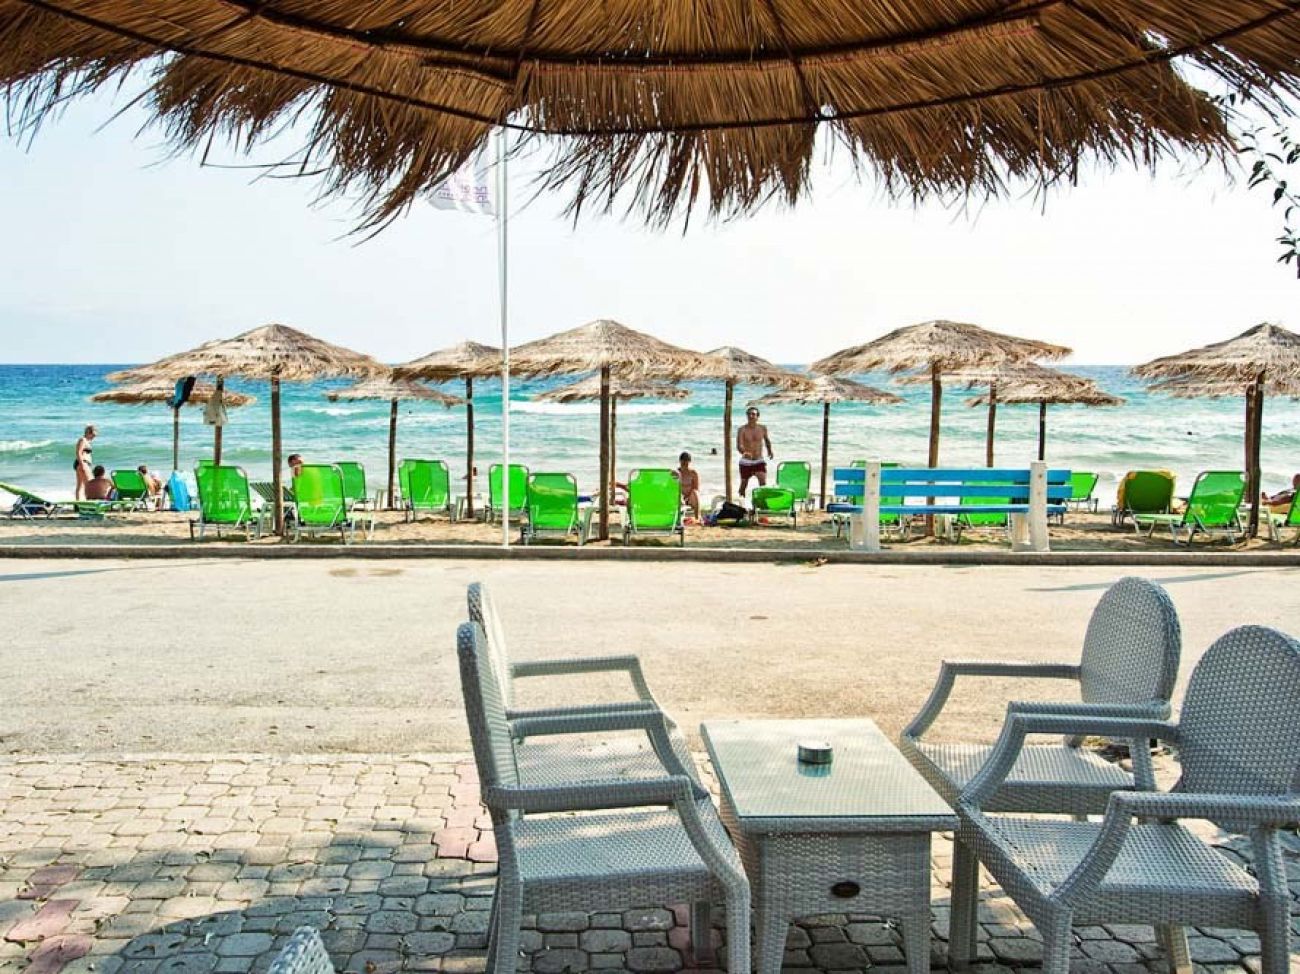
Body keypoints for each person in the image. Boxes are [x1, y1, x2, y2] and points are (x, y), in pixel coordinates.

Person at [736, 406, 773, 497]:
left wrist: (770, 450)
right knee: (743, 485)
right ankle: (741, 502)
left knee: (763, 483)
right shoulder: (742, 429)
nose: (751, 416)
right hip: (746, 461)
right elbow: (739, 445)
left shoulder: (762, 428)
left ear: (757, 416)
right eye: (749, 414)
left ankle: (762, 502)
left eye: (753, 414)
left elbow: (767, 440)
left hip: (759, 460)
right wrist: (744, 452)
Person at [674, 451, 701, 519]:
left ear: (689, 462)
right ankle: (678, 518)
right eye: (683, 462)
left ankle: (697, 518)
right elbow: (673, 487)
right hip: (679, 497)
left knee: (695, 493)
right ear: (680, 461)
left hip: (689, 497)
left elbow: (696, 488)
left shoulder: (693, 473)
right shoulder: (676, 473)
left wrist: (687, 497)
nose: (684, 464)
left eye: (686, 462)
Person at [73, 425, 96, 500]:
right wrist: (82, 464)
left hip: (82, 463)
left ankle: (78, 503)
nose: (94, 437)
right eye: (93, 435)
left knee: (80, 485)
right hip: (83, 463)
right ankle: (88, 501)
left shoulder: (86, 441)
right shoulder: (83, 440)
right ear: (88, 432)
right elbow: (78, 452)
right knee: (88, 485)